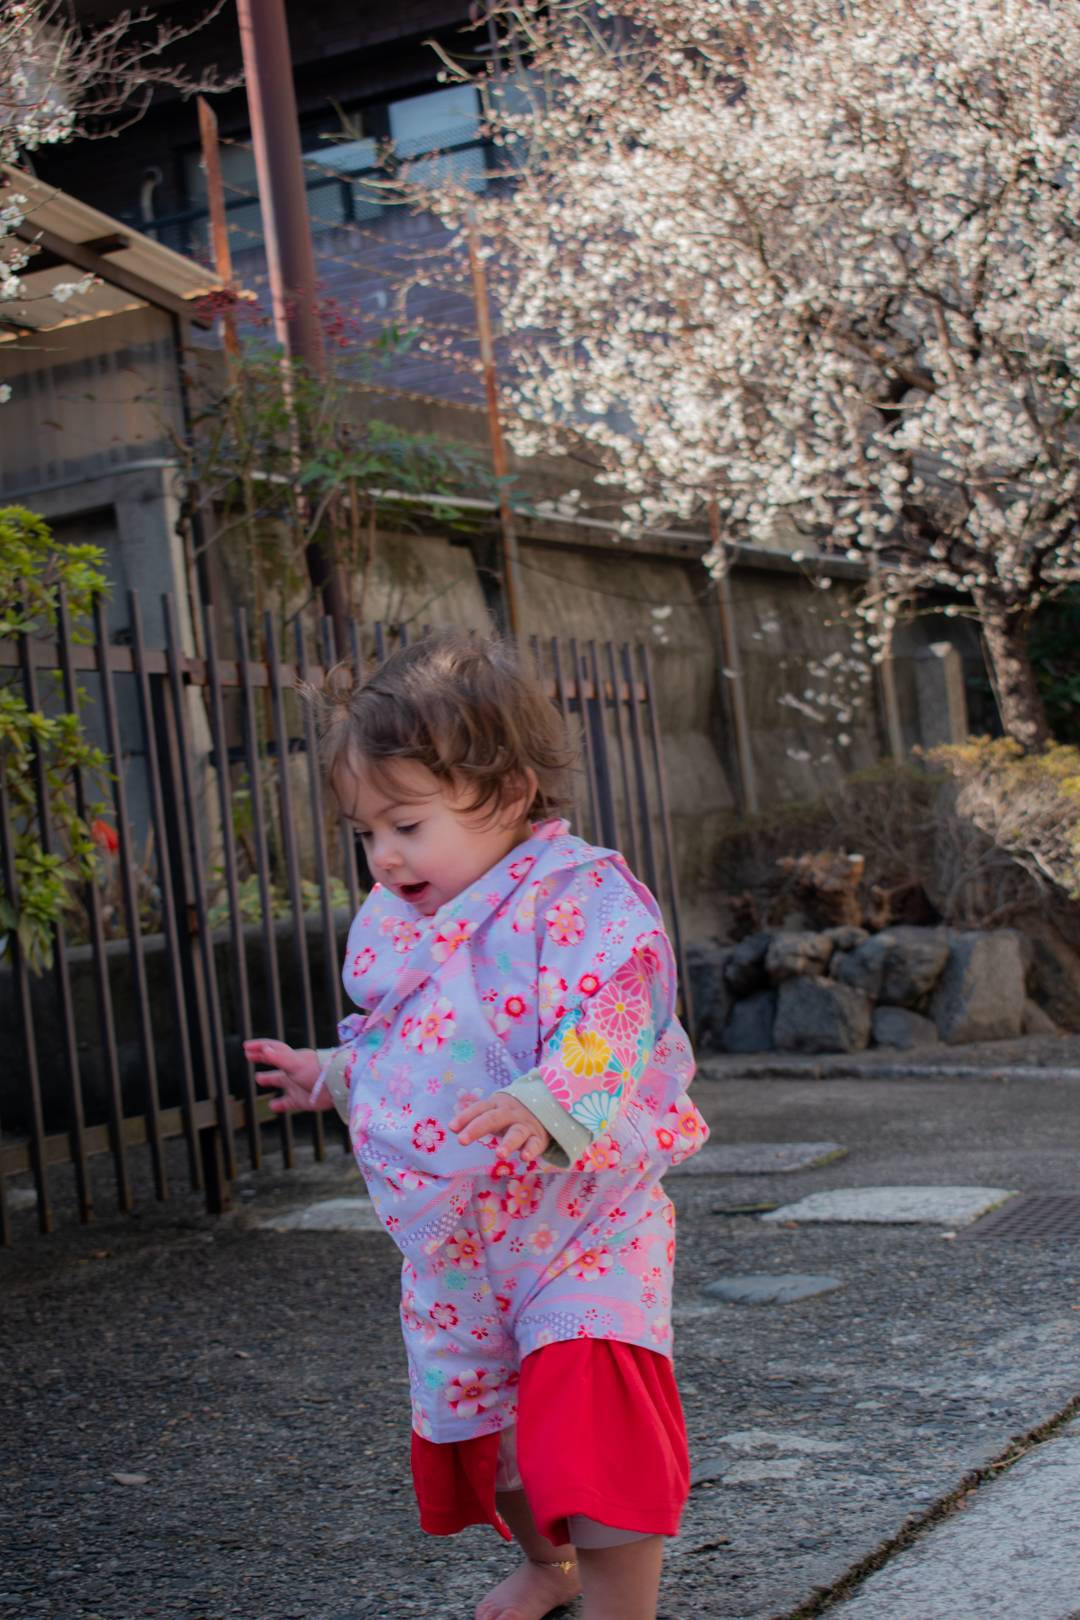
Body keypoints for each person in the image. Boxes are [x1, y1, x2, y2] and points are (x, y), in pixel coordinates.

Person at [244, 630, 708, 1620]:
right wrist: (328, 1073)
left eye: (405, 822)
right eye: (366, 832)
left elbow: (617, 1012)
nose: (383, 855)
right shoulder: (397, 919)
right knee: (488, 1432)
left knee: (587, 1425)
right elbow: (399, 1040)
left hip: (578, 1229)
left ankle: (621, 1607)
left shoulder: (576, 896)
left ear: (501, 794)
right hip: (454, 1247)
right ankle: (550, 1568)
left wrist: (555, 1099)